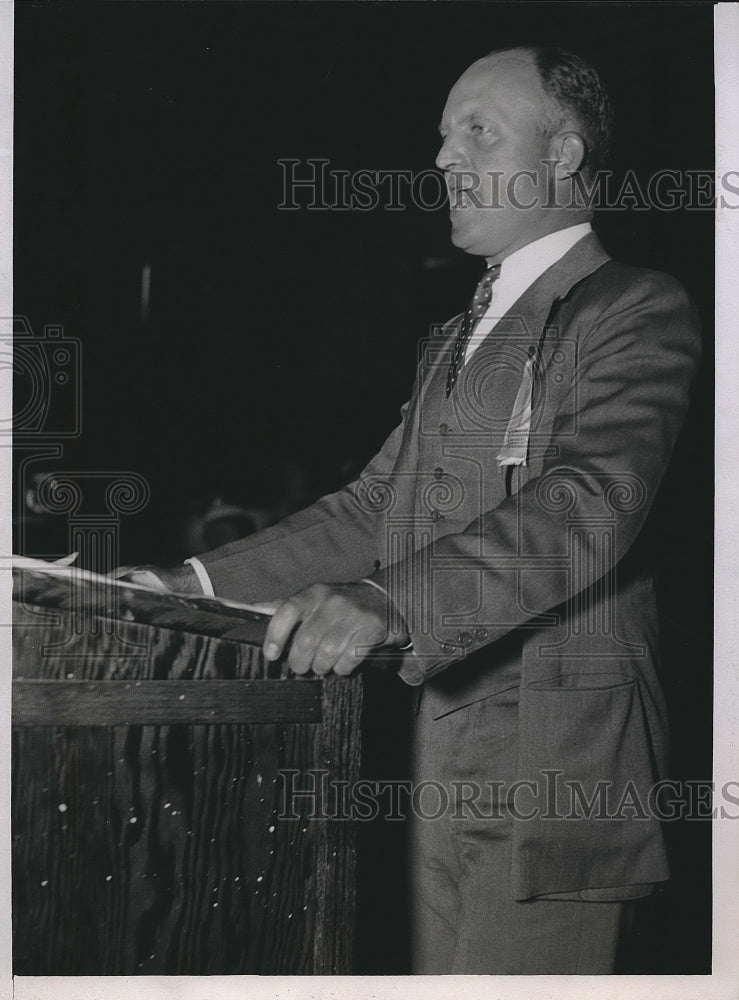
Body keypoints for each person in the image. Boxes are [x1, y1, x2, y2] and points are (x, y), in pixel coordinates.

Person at [121, 47, 701, 973]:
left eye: (477, 130)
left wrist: (392, 602)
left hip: (559, 779)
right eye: (440, 136)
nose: (442, 158)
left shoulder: (633, 308)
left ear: (562, 155)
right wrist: (179, 584)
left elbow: (592, 499)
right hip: (438, 766)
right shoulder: (450, 339)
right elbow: (371, 507)